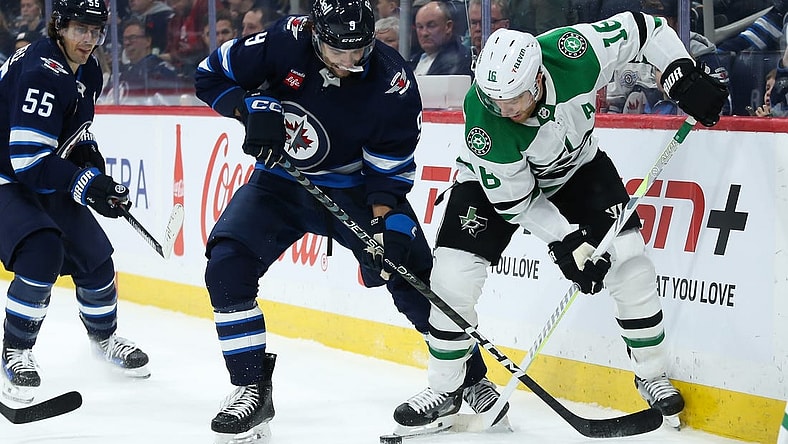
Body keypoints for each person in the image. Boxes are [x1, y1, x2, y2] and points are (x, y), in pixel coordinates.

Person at [392, 15, 728, 431]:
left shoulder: (575, 51)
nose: (505, 110)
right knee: (452, 278)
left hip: (577, 170)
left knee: (630, 261)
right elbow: (517, 202)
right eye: (495, 101)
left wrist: (679, 72)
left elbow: (649, 28)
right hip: (491, 183)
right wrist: (566, 241)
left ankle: (652, 374)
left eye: (512, 100)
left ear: (537, 78)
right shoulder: (487, 119)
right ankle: (445, 390)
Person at [194, 0, 503, 440]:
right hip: (279, 182)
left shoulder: (392, 82)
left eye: (358, 51)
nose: (349, 62)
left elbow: (388, 176)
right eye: (338, 52)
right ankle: (250, 388)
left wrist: (384, 225)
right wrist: (250, 108)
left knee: (410, 274)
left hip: (354, 189)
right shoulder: (283, 40)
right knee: (227, 263)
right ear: (315, 36)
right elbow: (209, 74)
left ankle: (468, 379)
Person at [0, 0, 150, 405]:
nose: (89, 39)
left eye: (96, 30)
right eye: (79, 29)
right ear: (59, 26)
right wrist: (89, 185)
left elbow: (73, 130)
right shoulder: (40, 72)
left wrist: (90, 159)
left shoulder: (88, 66)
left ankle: (104, 342)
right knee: (41, 250)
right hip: (7, 178)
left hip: (38, 174)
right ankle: (15, 349)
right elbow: (28, 162)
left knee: (95, 258)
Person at [115, 19, 181, 99]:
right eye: (125, 39)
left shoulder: (161, 71)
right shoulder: (125, 73)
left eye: (132, 38)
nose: (127, 43)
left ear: (148, 41)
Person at [409, 0, 472, 76]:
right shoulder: (414, 60)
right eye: (420, 27)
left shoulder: (462, 61)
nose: (424, 33)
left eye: (431, 25)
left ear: (448, 26)